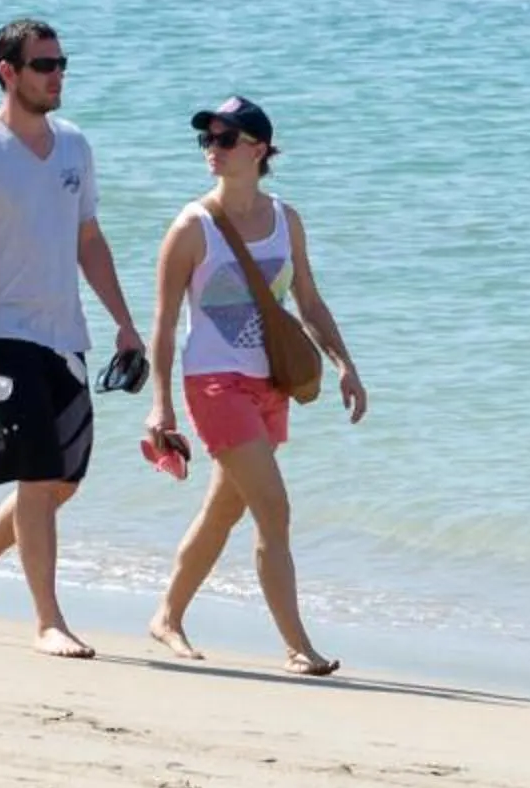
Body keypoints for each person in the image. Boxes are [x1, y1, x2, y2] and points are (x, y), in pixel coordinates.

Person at [0, 18, 146, 659]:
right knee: (36, 475)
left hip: (65, 336)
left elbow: (88, 239)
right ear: (9, 72)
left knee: (62, 482)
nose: (58, 75)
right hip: (3, 331)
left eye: (61, 64)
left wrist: (125, 322)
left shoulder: (75, 147)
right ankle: (48, 620)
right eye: (44, 65)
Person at [139, 96, 367, 674]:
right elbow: (163, 325)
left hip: (271, 384)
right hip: (214, 384)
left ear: (258, 149)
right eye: (206, 140)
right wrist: (160, 406)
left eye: (224, 139)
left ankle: (166, 615)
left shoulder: (286, 221)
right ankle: (298, 645)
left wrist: (345, 364)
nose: (211, 150)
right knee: (274, 508)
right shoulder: (191, 229)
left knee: (223, 511)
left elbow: (308, 300)